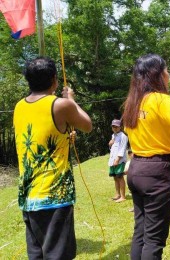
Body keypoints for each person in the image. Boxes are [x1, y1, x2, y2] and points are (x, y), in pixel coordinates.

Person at [14, 57, 92, 259]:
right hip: (54, 197)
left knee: (37, 255)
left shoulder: (19, 107)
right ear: (54, 79)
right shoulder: (60, 105)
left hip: (29, 197)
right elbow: (87, 125)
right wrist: (71, 99)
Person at [122, 54, 170, 259]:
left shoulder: (132, 102)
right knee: (154, 240)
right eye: (166, 70)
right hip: (157, 171)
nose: (169, 74)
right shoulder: (161, 99)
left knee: (141, 231)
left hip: (136, 168)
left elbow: (149, 132)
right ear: (158, 74)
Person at [108, 119, 128, 203]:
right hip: (112, 160)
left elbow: (122, 148)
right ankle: (117, 194)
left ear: (120, 127)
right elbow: (112, 148)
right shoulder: (113, 136)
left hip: (119, 160)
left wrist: (118, 159)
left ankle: (123, 196)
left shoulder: (123, 136)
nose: (115, 128)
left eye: (116, 126)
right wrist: (109, 144)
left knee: (120, 177)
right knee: (115, 177)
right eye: (113, 126)